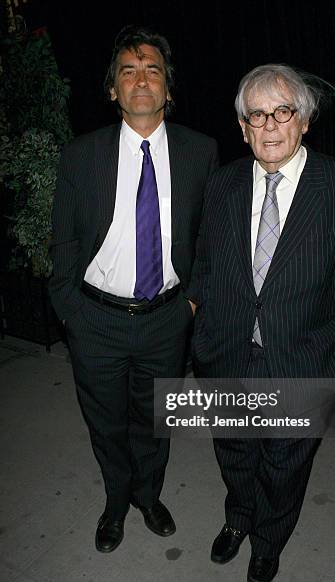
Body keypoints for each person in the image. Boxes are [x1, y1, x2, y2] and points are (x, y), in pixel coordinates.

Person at [187, 64, 335, 582]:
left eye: (282, 111)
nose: (270, 126)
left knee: (285, 464)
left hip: (301, 362)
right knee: (235, 449)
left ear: (304, 120)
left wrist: (331, 373)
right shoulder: (220, 185)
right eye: (256, 115)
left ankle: (268, 540)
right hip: (228, 356)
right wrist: (204, 344)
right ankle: (239, 518)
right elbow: (204, 267)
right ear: (242, 127)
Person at [49, 25, 218, 553]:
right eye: (128, 71)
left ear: (168, 89)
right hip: (95, 318)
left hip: (167, 317)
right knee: (106, 422)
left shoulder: (201, 151)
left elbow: (209, 239)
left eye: (152, 71)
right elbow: (64, 244)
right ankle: (115, 501)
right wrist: (72, 313)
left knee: (153, 420)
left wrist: (190, 303)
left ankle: (149, 495)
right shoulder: (81, 155)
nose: (140, 80)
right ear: (113, 90)